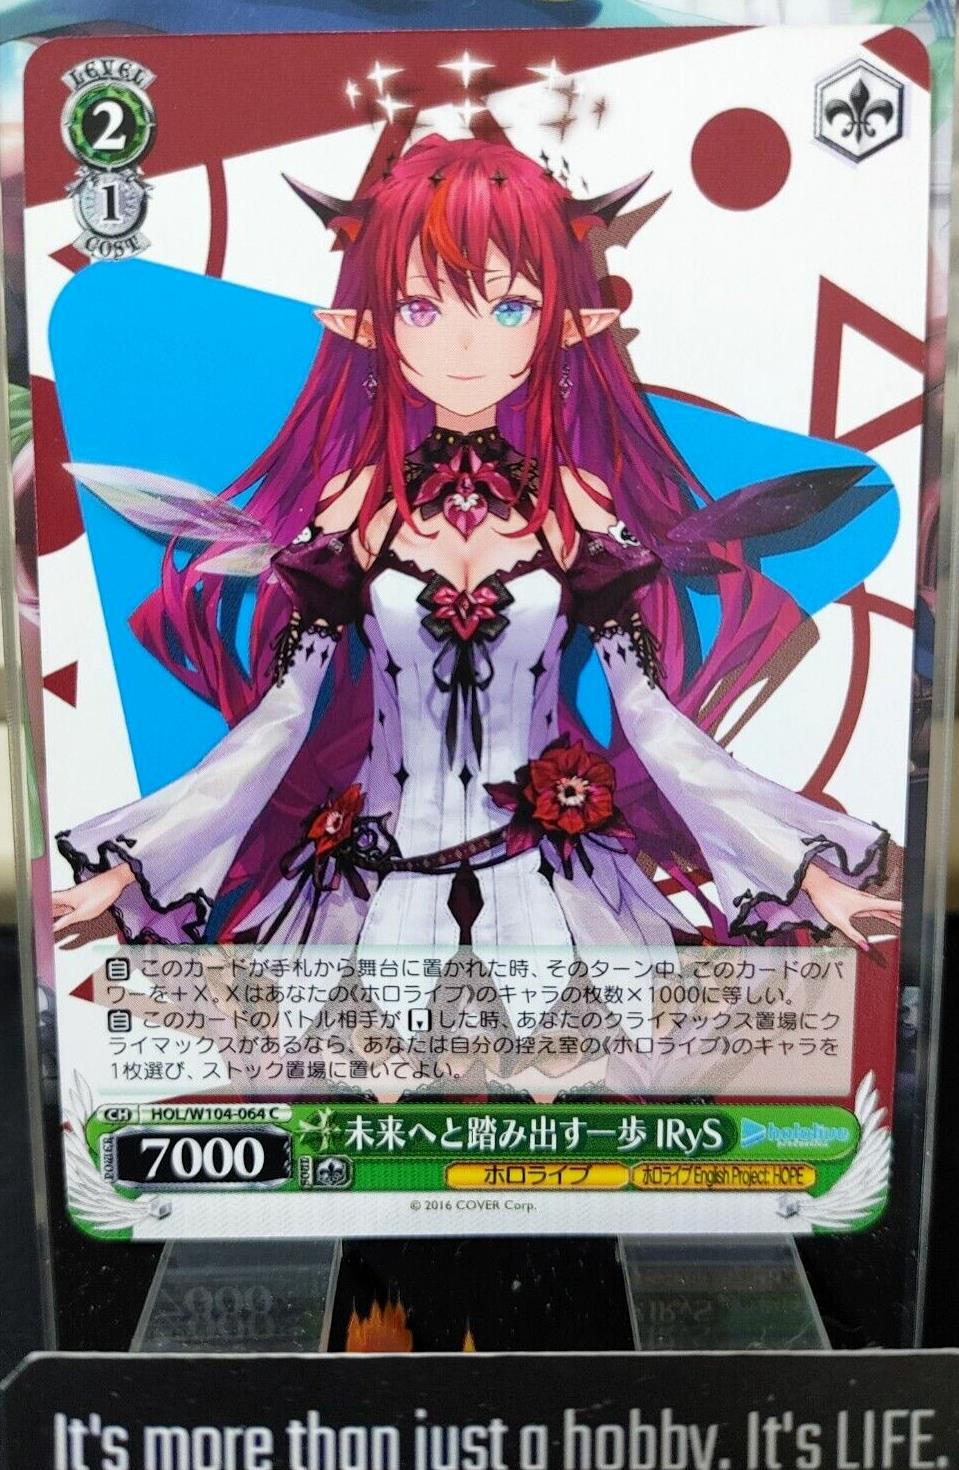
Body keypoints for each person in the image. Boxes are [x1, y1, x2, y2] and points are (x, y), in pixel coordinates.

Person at [52, 134, 900, 1048]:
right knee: (357, 1101)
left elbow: (652, 722)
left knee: (582, 1091)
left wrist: (799, 868)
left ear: (565, 324)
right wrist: (137, 864)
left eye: (508, 306)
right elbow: (282, 717)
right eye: (419, 306)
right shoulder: (354, 510)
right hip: (366, 890)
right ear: (366, 325)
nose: (463, 343)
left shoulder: (579, 509)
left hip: (558, 885)